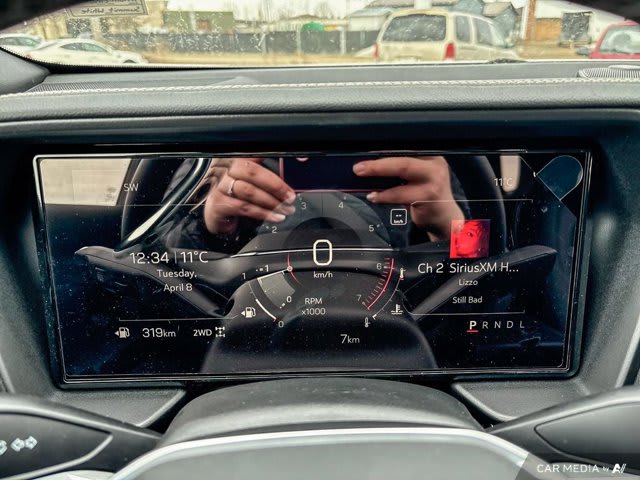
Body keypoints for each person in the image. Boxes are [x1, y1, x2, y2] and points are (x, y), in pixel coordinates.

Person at [161, 155, 467, 252]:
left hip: (396, 308)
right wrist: (211, 226)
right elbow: (162, 261)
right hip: (251, 314)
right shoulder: (222, 156)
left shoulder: (422, 154)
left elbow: (483, 269)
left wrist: (447, 228)